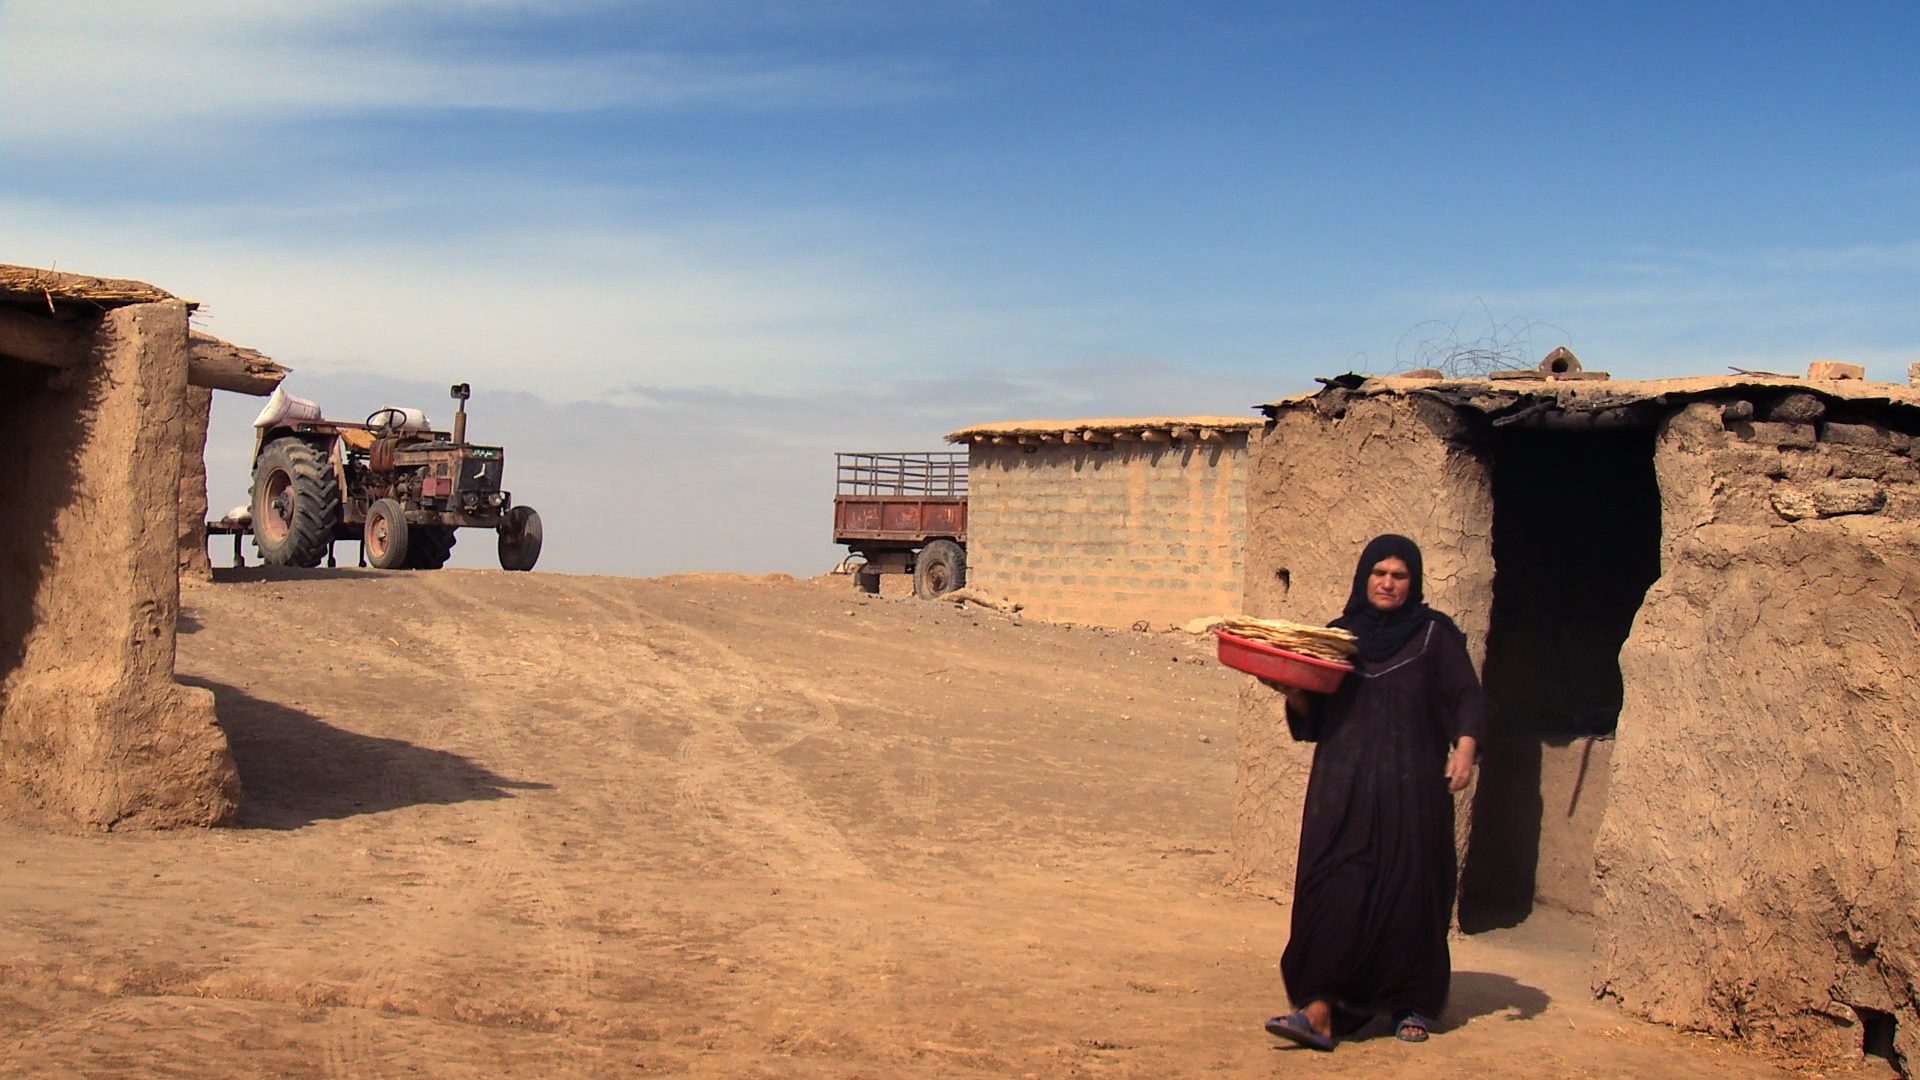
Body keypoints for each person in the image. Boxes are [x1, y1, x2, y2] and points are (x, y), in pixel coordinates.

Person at [1262, 533, 1486, 1050]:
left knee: (1409, 893)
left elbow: (1467, 696)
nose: (1388, 583)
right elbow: (1312, 718)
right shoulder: (1336, 639)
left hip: (1413, 794)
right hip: (1342, 791)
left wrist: (1465, 748)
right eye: (1379, 573)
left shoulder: (1433, 636)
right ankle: (1318, 1009)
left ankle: (1408, 1003)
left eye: (1399, 575)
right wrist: (1293, 690)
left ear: (1414, 582)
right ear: (1364, 577)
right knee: (1332, 892)